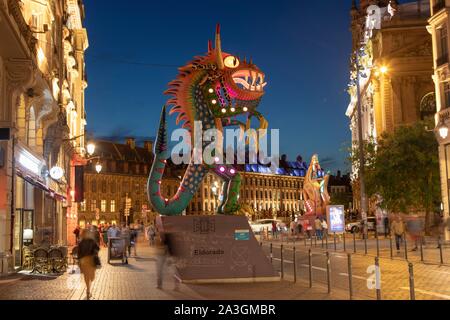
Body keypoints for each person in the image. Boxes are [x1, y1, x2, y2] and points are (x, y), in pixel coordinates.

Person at [78, 229, 100, 300]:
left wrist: (79, 261)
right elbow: (98, 248)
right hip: (88, 260)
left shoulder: (87, 241)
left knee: (88, 276)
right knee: (89, 276)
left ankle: (88, 288)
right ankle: (88, 290)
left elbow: (79, 253)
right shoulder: (86, 241)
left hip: (86, 260)